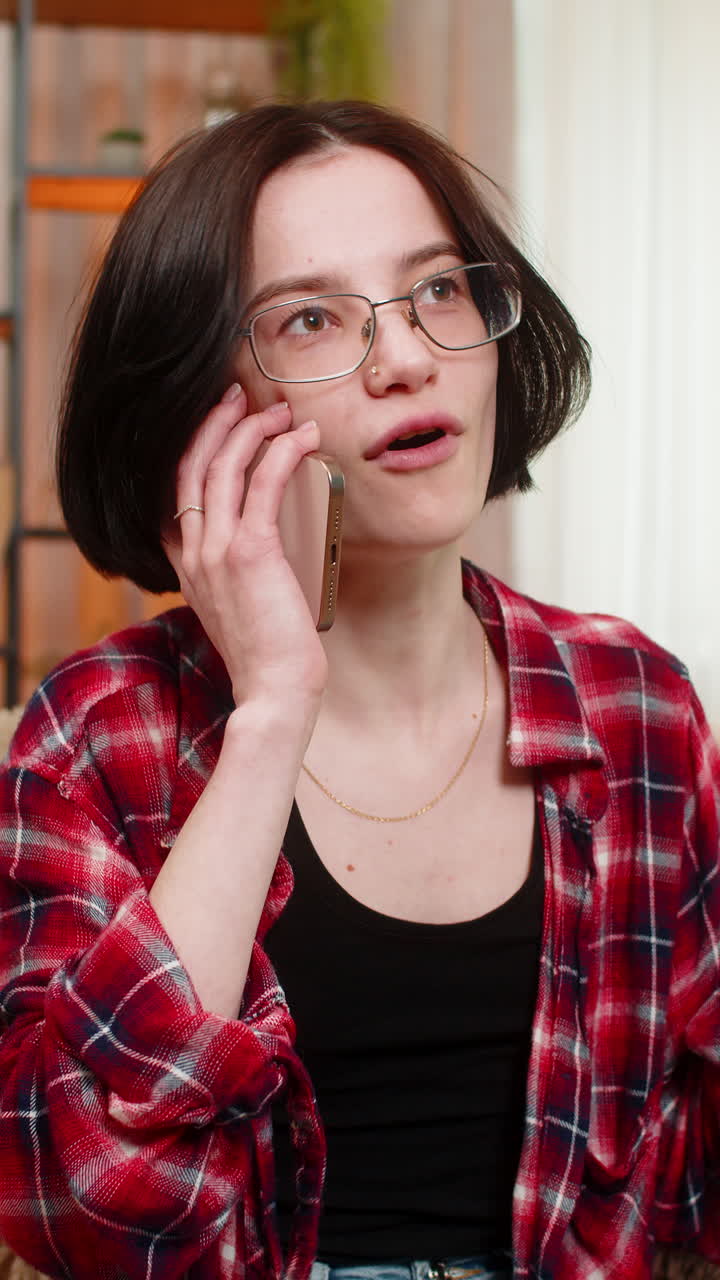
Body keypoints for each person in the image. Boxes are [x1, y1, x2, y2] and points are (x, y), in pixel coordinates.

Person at [0, 99, 718, 1280]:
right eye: (313, 317)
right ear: (204, 409)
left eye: (439, 289)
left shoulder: (634, 702)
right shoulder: (96, 731)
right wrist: (271, 710)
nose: (407, 357)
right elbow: (79, 1205)